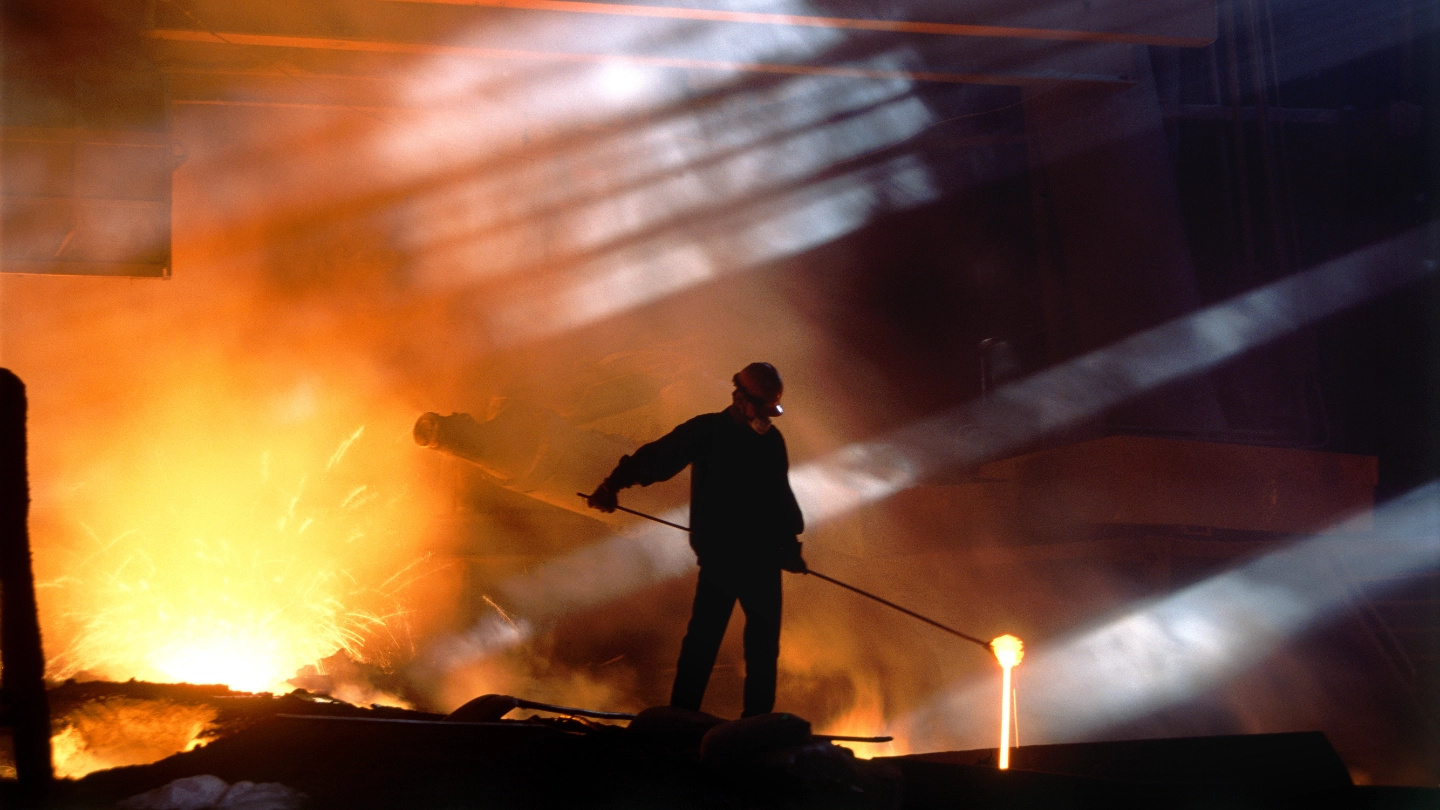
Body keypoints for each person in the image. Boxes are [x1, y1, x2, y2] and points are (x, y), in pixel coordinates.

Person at [586, 362, 806, 717]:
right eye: (762, 409)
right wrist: (613, 484)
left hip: (761, 560)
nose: (767, 418)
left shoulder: (771, 442)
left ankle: (756, 726)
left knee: (762, 650)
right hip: (723, 560)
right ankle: (681, 719)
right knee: (704, 644)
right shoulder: (707, 432)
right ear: (740, 398)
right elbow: (658, 459)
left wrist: (790, 544)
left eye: (770, 411)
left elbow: (779, 496)